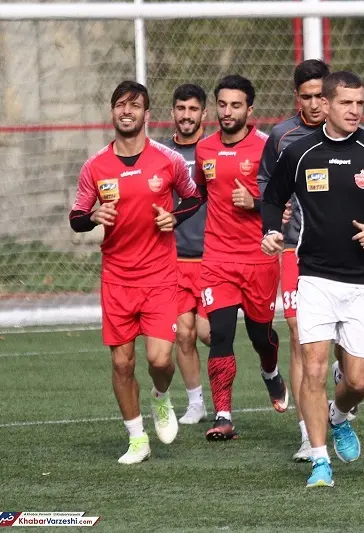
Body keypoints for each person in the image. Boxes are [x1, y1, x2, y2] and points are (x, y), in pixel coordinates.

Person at [261, 71, 364, 488]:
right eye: (347, 102)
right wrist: (271, 230)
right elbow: (272, 198)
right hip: (314, 278)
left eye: (360, 103)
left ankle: (339, 415)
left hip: (363, 281)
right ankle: (319, 460)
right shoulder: (300, 152)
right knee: (313, 370)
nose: (355, 110)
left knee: (359, 382)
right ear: (326, 105)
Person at [69, 81, 202, 463]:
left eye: (134, 105)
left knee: (160, 360)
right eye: (120, 105)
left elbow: (194, 197)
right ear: (112, 112)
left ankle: (161, 396)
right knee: (121, 363)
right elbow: (76, 217)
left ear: (147, 114)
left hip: (159, 275)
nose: (127, 111)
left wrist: (173, 217)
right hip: (117, 278)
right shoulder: (95, 166)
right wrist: (93, 215)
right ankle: (137, 438)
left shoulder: (167, 160)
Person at [257, 59, 349, 462]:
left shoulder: (349, 132)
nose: (314, 104)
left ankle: (342, 389)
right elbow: (265, 182)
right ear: (297, 97)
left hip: (343, 251)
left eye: (319, 96)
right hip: (295, 250)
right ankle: (306, 435)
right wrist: (273, 211)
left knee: (343, 343)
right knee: (299, 336)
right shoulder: (282, 136)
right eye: (306, 97)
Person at [193, 74, 288, 441]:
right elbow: (200, 193)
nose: (227, 111)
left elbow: (284, 201)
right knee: (219, 334)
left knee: (260, 335)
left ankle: (270, 372)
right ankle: (223, 416)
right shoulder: (204, 149)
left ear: (250, 109)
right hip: (217, 258)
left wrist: (255, 203)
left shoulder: (268, 147)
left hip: (259, 257)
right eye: (222, 104)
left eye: (236, 105)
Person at [163, 83, 210, 425]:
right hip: (174, 260)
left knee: (209, 334)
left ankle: (224, 394)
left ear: (204, 114)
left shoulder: (213, 150)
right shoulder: (162, 155)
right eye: (181, 108)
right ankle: (196, 403)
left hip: (211, 259)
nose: (186, 115)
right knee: (184, 333)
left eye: (193, 109)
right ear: (172, 113)